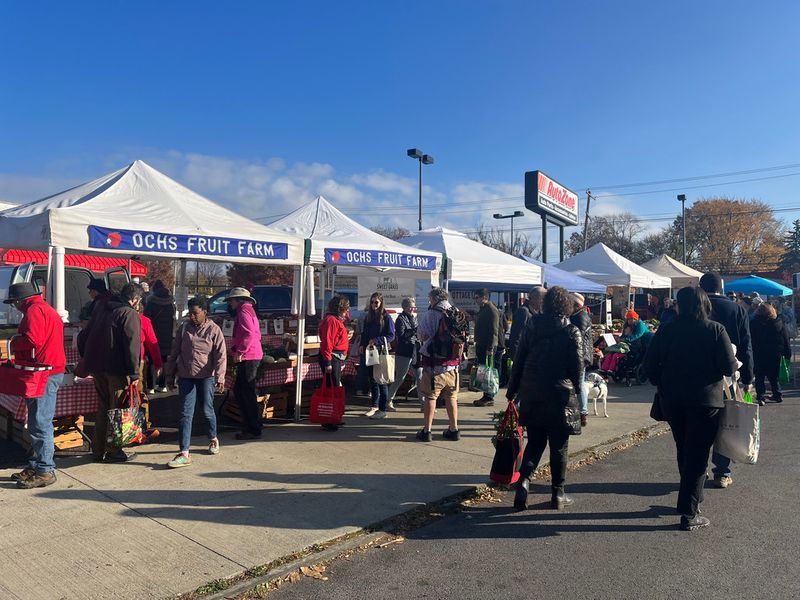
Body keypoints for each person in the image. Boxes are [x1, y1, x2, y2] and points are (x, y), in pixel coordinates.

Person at [644, 286, 738, 531]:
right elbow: (728, 367)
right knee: (697, 454)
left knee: (683, 447)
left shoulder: (666, 330)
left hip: (673, 399)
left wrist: (662, 382)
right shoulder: (715, 330)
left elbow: (649, 365)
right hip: (705, 400)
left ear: (679, 305)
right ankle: (689, 511)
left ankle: (691, 497)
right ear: (704, 304)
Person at [506, 286, 582, 511]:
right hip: (560, 394)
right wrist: (578, 392)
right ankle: (558, 493)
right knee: (559, 447)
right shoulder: (571, 331)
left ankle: (524, 482)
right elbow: (577, 368)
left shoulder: (532, 326)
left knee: (535, 442)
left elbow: (519, 360)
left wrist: (512, 391)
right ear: (566, 305)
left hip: (532, 391)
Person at [5, 283, 66, 489]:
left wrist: (12, 343)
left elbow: (33, 340)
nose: (14, 306)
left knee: (40, 423)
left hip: (44, 371)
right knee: (37, 422)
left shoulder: (34, 310)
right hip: (47, 369)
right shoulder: (42, 308)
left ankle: (45, 469)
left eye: (13, 303)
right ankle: (37, 464)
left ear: (19, 300)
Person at [699, 272, 753, 489]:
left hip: (698, 375)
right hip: (729, 376)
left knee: (700, 424)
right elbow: (746, 345)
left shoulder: (696, 307)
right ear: (721, 287)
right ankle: (722, 472)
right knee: (726, 423)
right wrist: (748, 377)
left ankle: (699, 468)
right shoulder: (737, 309)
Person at [78, 283, 143, 463]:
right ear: (135, 299)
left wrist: (88, 358)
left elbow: (83, 336)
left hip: (97, 367)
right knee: (117, 410)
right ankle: (114, 450)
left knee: (103, 409)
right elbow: (132, 346)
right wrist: (134, 373)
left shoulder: (102, 308)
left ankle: (98, 450)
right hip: (116, 369)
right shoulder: (128, 313)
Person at [164, 295, 227, 468]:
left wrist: (220, 377)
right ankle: (184, 452)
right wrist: (169, 375)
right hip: (186, 377)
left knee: (207, 410)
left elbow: (221, 356)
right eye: (190, 313)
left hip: (206, 377)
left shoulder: (214, 330)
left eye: (195, 313)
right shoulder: (184, 328)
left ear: (205, 312)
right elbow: (174, 352)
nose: (192, 316)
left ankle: (213, 438)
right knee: (185, 414)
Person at [416, 287, 461, 442]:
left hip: (434, 364)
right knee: (452, 397)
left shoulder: (432, 313)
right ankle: (454, 429)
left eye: (430, 299)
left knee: (430, 396)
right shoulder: (456, 311)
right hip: (453, 364)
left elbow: (422, 334)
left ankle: (427, 431)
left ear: (434, 299)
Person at [226, 287, 264, 440]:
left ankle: (252, 427)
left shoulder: (243, 312)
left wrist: (240, 351)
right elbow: (253, 333)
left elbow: (248, 333)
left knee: (244, 392)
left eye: (231, 301)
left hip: (249, 355)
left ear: (238, 300)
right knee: (245, 391)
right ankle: (253, 425)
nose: (230, 304)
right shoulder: (249, 310)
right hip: (252, 354)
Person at [360, 292, 395, 419]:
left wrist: (377, 340)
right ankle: (374, 406)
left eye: (376, 302)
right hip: (370, 351)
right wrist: (362, 344)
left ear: (381, 303)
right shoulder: (368, 317)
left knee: (381, 380)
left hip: (380, 351)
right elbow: (365, 333)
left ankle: (382, 409)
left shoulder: (386, 317)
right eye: (372, 302)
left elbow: (391, 335)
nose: (374, 304)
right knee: (372, 379)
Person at [318, 294, 351, 431]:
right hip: (332, 358)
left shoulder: (335, 320)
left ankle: (333, 417)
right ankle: (329, 419)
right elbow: (327, 342)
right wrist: (328, 363)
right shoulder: (331, 320)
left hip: (335, 357)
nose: (347, 310)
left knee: (334, 387)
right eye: (346, 308)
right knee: (331, 389)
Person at [749, 302, 791, 405]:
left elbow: (750, 339)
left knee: (759, 376)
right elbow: (786, 340)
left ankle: (761, 396)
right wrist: (787, 354)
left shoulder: (753, 323)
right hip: (775, 354)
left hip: (759, 354)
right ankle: (777, 394)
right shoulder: (779, 323)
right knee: (773, 376)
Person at [387, 297, 422, 410]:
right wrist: (414, 331)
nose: (412, 309)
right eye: (410, 307)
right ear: (405, 307)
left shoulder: (415, 318)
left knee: (420, 377)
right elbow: (401, 336)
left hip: (415, 351)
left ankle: (423, 403)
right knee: (400, 378)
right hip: (404, 352)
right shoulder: (400, 319)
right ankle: (389, 400)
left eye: (413, 307)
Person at [143, 280, 176, 393]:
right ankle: (162, 385)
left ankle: (151, 386)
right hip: (167, 336)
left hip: (153, 335)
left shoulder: (151, 303)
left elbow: (146, 320)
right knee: (164, 360)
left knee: (151, 361)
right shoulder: (171, 303)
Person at [473, 288, 501, 407]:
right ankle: (485, 394)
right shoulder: (483, 309)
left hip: (487, 346)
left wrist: (490, 348)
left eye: (477, 297)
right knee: (483, 371)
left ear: (484, 297)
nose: (476, 300)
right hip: (481, 344)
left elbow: (494, 331)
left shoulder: (491, 310)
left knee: (488, 371)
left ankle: (489, 396)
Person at [570, 293, 593, 427]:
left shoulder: (581, 316)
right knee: (578, 382)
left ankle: (583, 412)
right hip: (580, 354)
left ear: (576, 304)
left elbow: (578, 335)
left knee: (579, 383)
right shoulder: (577, 315)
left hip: (581, 355)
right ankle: (581, 411)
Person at [508, 286, 547, 360]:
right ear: (533, 298)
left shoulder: (537, 313)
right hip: (523, 358)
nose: (543, 302)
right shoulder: (523, 312)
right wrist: (516, 359)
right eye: (542, 299)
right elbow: (516, 336)